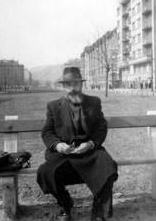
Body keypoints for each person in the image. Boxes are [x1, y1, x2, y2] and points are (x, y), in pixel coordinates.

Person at [37, 67, 118, 221]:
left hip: (89, 151)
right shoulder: (53, 106)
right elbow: (47, 132)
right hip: (64, 153)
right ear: (63, 86)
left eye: (76, 84)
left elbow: (101, 127)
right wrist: (58, 145)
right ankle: (65, 204)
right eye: (68, 84)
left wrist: (90, 144)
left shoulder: (93, 102)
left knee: (108, 165)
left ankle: (99, 210)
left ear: (81, 84)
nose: (72, 88)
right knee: (45, 172)